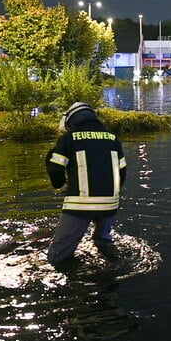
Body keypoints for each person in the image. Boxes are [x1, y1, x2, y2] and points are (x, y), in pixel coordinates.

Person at [45, 102, 127, 267]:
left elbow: (55, 168)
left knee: (57, 256)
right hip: (110, 205)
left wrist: (60, 185)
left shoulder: (68, 138)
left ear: (72, 120)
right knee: (103, 242)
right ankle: (114, 265)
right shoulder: (112, 138)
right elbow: (122, 172)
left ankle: (68, 281)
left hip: (80, 205)